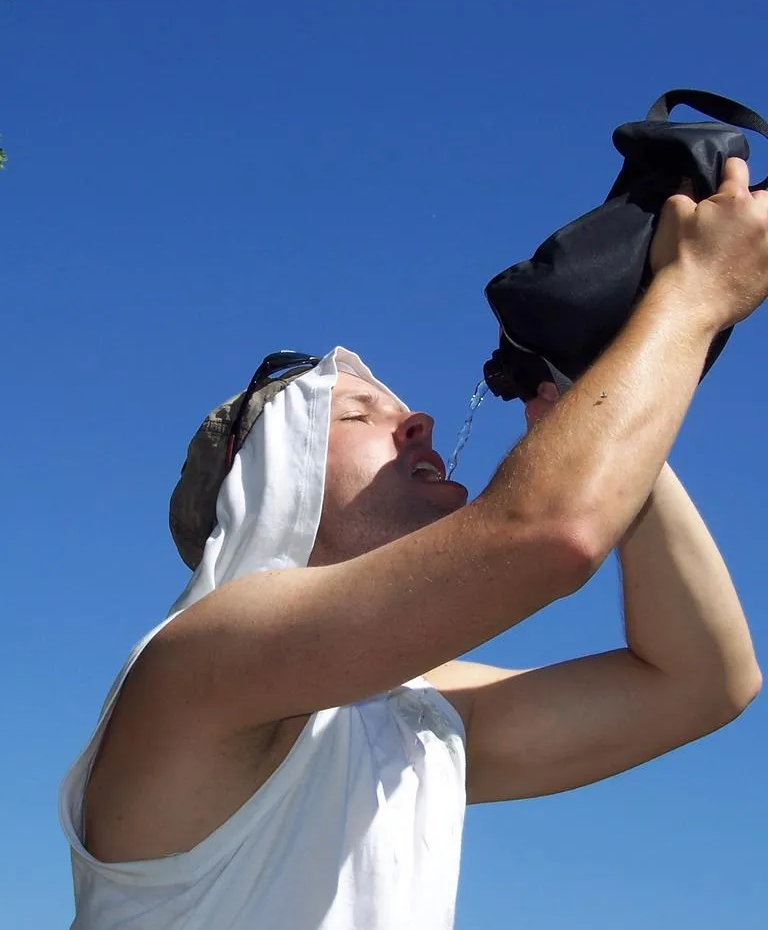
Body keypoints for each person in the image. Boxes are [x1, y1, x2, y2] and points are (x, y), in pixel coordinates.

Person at [60, 158, 766, 930]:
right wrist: (694, 293)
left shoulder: (405, 716)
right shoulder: (201, 663)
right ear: (274, 480)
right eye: (356, 413)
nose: (419, 420)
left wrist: (603, 396)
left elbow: (703, 682)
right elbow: (549, 534)